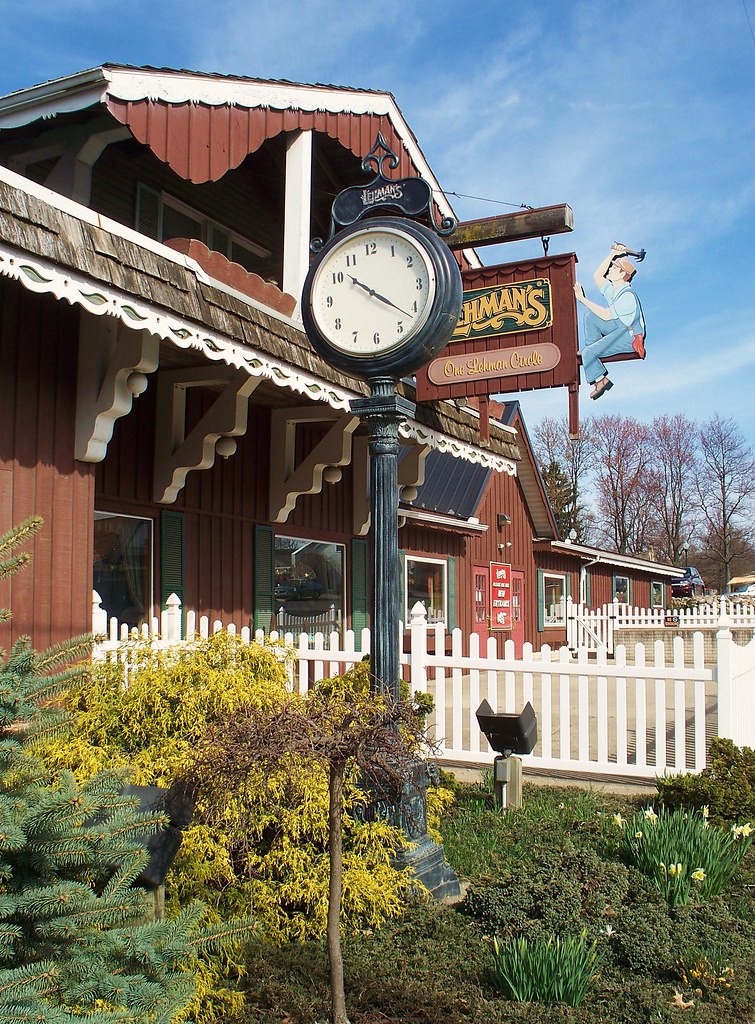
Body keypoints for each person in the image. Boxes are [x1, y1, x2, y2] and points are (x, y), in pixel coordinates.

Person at [573, 243, 646, 399]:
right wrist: (612, 254)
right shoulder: (615, 290)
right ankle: (592, 352)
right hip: (619, 328)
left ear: (621, 273)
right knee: (590, 317)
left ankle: (600, 380)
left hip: (629, 336)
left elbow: (606, 315)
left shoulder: (627, 296)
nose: (609, 270)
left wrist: (582, 299)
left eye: (613, 268)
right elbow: (597, 277)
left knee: (588, 352)